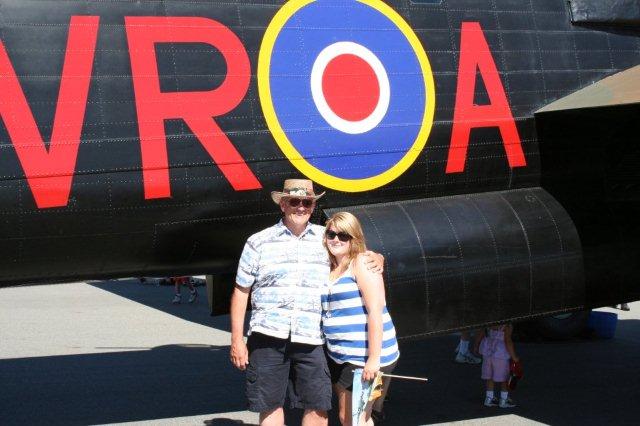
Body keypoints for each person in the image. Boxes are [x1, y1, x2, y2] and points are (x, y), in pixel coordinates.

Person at [229, 179, 383, 426]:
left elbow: (354, 254)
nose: (301, 207)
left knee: (318, 406)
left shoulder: (326, 238)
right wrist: (237, 340)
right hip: (267, 335)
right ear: (283, 204)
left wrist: (376, 256)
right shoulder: (258, 242)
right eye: (294, 201)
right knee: (270, 406)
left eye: (307, 202)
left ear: (312, 207)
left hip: (311, 337)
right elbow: (241, 291)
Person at [322, 212, 400, 426]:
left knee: (355, 419)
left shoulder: (362, 263)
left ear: (354, 238)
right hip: (341, 355)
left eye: (343, 235)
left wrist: (373, 359)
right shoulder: (330, 266)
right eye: (331, 234)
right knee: (351, 417)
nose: (336, 239)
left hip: (363, 356)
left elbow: (376, 311)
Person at [476, 324, 519, 408]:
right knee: (504, 377)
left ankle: (489, 398)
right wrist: (514, 357)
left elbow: (480, 334)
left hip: (488, 351)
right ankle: (504, 399)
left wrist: (476, 346)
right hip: (500, 353)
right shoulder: (506, 326)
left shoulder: (489, 323)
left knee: (490, 376)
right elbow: (508, 341)